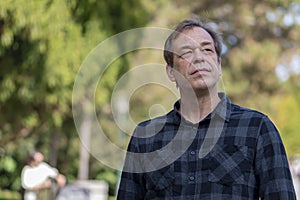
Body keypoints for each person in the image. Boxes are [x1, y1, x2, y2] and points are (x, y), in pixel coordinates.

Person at [117, 16, 296, 199]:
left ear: (218, 66)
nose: (199, 57)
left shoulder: (257, 128)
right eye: (186, 52)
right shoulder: (145, 137)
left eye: (207, 49)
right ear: (170, 71)